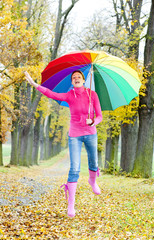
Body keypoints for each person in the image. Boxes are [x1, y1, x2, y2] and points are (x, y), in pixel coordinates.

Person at [24, 70, 102, 218]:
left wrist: (93, 122)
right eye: (74, 78)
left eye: (79, 77)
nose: (76, 79)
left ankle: (92, 181)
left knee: (94, 162)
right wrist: (34, 84)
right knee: (74, 168)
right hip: (75, 135)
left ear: (84, 80)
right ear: (72, 82)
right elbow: (50, 94)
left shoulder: (93, 95)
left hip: (91, 133)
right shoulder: (69, 96)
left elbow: (100, 116)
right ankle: (71, 204)